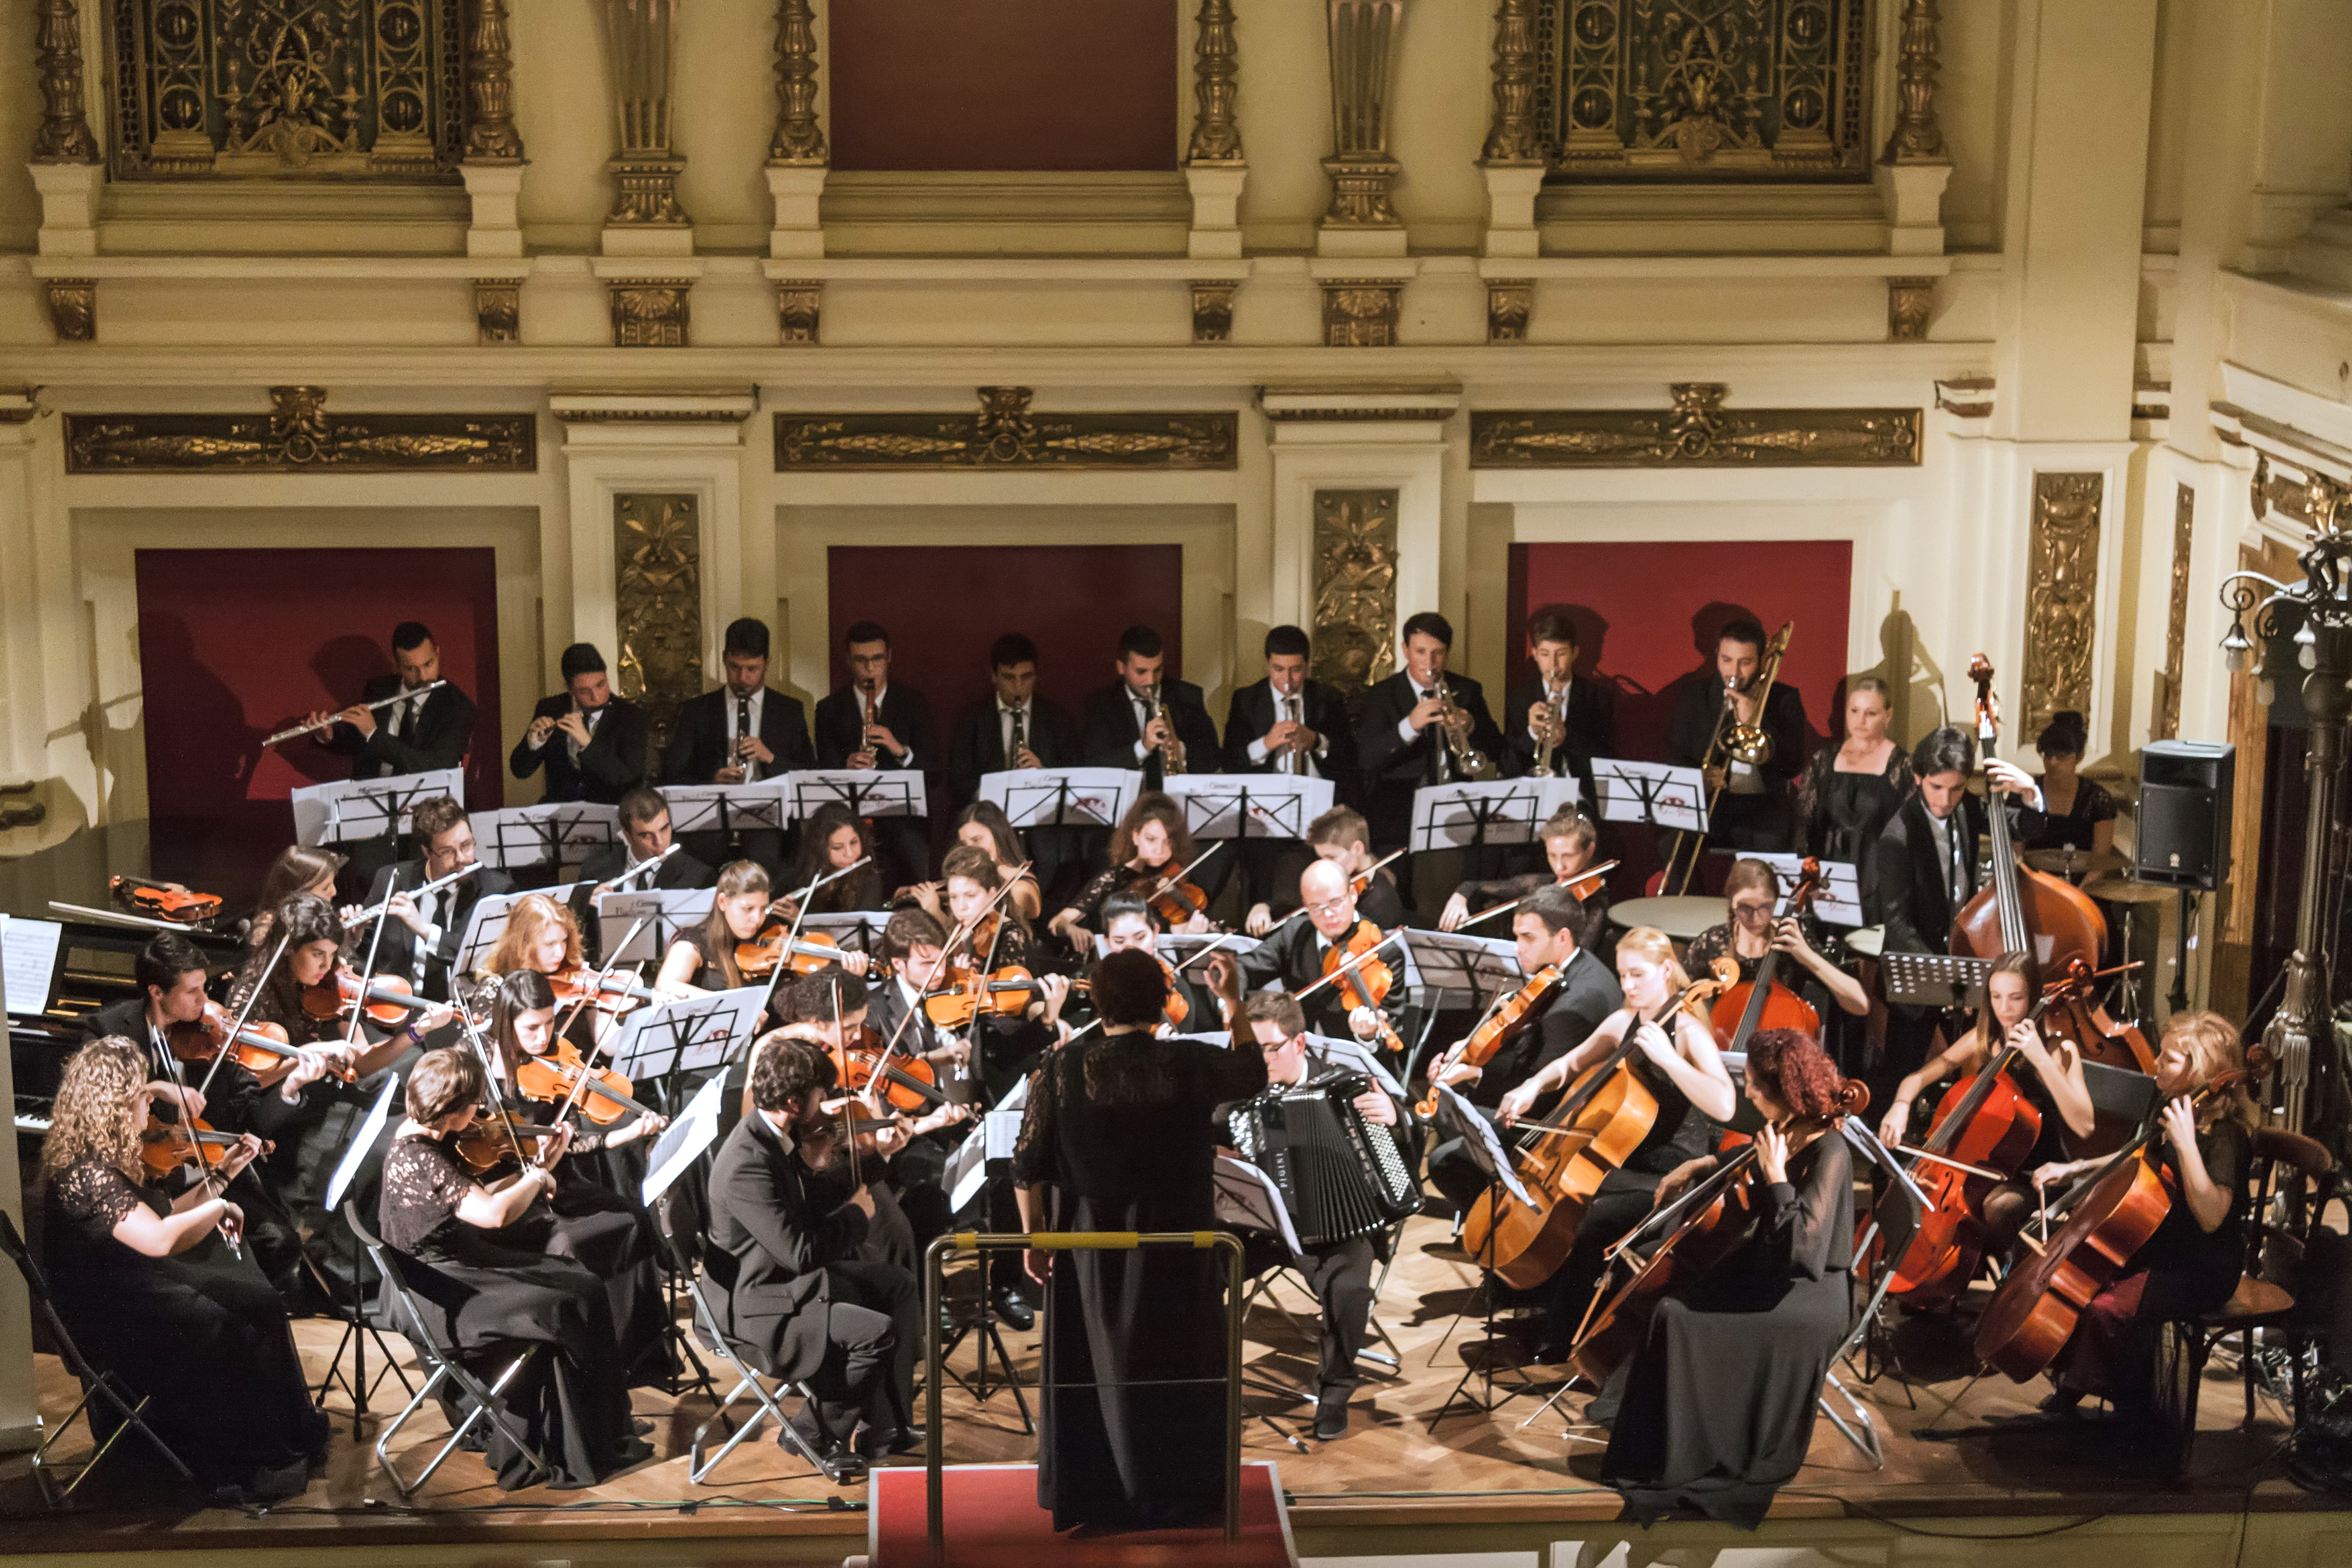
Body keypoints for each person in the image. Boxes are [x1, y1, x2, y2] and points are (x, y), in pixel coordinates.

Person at [1013, 947, 1269, 1529]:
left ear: (1096, 1000)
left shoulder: (1060, 1069)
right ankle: (1179, 1495)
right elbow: (1253, 1070)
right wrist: (1230, 999)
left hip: (1090, 1251)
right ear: (1161, 1003)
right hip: (1178, 1242)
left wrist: (1036, 1238)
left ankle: (1101, 1496)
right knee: (1177, 1360)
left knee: (1096, 1367)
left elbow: (1025, 1162)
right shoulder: (1189, 1061)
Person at [38, 1037, 327, 1503]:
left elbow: (165, 1213)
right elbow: (160, 1238)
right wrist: (222, 1208)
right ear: (114, 1103)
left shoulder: (110, 1156)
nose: (150, 1103)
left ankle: (285, 1436)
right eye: (142, 1095)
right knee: (230, 1316)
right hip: (110, 1316)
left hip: (132, 1287)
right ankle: (242, 1457)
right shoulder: (86, 1172)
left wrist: (225, 1174)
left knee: (256, 1299)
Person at [1596, 1029, 1857, 1526]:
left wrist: (1779, 1179)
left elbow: (1805, 1247)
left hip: (1808, 1297)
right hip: (1770, 1268)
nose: (1750, 1094)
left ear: (1787, 1089)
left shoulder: (1832, 1152)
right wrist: (1705, 1162)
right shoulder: (1787, 1128)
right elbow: (1755, 1162)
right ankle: (1661, 1451)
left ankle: (1696, 1454)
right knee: (1672, 1307)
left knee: (1682, 1320)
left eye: (1757, 1086)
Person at [377, 1047, 652, 1489]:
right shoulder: (422, 1157)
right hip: (440, 1290)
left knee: (578, 1280)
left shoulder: (418, 1134)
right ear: (454, 1110)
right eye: (475, 1106)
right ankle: (584, 1440)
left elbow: (483, 1194)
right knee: (570, 1298)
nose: (482, 1113)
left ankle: (601, 1425)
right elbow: (493, 1215)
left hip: (439, 1270)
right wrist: (537, 1177)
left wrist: (541, 1165)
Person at [1495, 925, 1736, 1362]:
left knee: (1591, 1214)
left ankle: (1568, 1337)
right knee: (1548, 1196)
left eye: (1638, 975)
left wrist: (1667, 1059)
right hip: (1622, 1162)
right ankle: (1533, 1302)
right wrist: (1532, 1086)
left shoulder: (1686, 1031)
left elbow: (1724, 1104)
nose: (1627, 985)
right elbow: (1572, 1063)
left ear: (1667, 970)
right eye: (1623, 975)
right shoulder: (1623, 1021)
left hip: (1670, 1175)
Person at [705, 1033, 924, 1481]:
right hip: (760, 1302)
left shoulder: (771, 1135)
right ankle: (811, 1431)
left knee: (897, 1284)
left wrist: (878, 1156)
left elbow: (808, 1203)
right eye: (820, 1097)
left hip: (785, 1283)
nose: (826, 1107)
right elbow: (801, 1252)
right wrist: (858, 1219)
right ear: (792, 1099)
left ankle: (886, 1425)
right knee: (874, 1333)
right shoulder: (747, 1162)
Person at [2025, 1011, 2254, 1435]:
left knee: (2107, 1308)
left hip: (2201, 1267)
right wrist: (2075, 1168)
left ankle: (2133, 1414)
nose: (2156, 1067)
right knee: (2080, 1282)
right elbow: (2136, 1158)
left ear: (2199, 1069)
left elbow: (2211, 1217)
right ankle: (2091, 1387)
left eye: (2168, 1060)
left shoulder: (2225, 1134)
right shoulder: (2167, 1102)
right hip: (2160, 1245)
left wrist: (2186, 1146)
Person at [1210, 981, 1410, 1440]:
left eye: (1270, 1049)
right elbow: (1213, 1125)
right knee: (1199, 1265)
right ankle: (1208, 1381)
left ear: (1299, 1042)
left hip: (1340, 1227)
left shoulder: (1345, 1085)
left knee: (1349, 1289)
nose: (1259, 1061)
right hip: (1267, 1228)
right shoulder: (1245, 1098)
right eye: (1254, 1049)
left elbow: (1403, 1136)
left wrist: (1396, 1116)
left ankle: (1335, 1393)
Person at [481, 968, 670, 1385]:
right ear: (505, 1023)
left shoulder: (554, 1059)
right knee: (572, 1243)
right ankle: (585, 1361)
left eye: (550, 1022)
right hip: (513, 1196)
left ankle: (636, 1356)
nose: (544, 1035)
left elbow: (577, 1141)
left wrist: (626, 1133)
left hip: (560, 1182)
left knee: (632, 1217)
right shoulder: (483, 1074)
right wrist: (535, 1168)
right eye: (531, 1027)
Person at [1865, 726, 2044, 1111]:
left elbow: (2022, 825)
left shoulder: (1964, 806)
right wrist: (1951, 977)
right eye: (1936, 788)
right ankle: (1886, 1165)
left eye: (1957, 789)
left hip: (1966, 958)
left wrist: (2031, 793)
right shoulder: (1897, 837)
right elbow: (1897, 924)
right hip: (1924, 968)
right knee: (1903, 1070)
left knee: (1969, 1072)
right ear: (1918, 779)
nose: (1947, 800)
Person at [1424, 884, 1624, 1213]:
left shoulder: (1576, 1003)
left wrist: (1473, 1075)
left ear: (1562, 937)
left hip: (1555, 1125)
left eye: (1528, 938)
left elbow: (1539, 1094)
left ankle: (1503, 1229)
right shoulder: (1573, 967)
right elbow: (1526, 1045)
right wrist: (1471, 1052)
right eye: (1517, 936)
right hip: (1540, 1098)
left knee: (1445, 1133)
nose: (1518, 948)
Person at [1879, 951, 2093, 1250]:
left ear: (2033, 999)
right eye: (1996, 997)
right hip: (1985, 1170)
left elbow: (2084, 1125)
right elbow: (1917, 1078)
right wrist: (1901, 1106)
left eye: (2015, 998)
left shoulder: (2060, 1049)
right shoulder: (1982, 1041)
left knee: (1997, 1207)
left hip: (2040, 1178)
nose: (2004, 1008)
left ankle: (2008, 1277)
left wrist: (2041, 1060)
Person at [355, 794, 517, 1005]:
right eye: (448, 851)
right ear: (427, 851)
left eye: (466, 845)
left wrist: (423, 929)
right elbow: (365, 953)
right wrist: (354, 939)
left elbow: (481, 958)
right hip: (397, 1011)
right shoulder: (391, 879)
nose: (462, 859)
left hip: (462, 1012)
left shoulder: (497, 891)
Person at [1665, 617, 1807, 855]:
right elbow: (1675, 756)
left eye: (1746, 663)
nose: (1734, 672)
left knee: (1771, 841)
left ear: (1763, 660)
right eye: (1727, 660)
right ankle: (1686, 894)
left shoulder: (1785, 698)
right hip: (1713, 803)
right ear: (1717, 654)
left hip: (1763, 807)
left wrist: (1758, 723)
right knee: (1671, 841)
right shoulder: (1694, 695)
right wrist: (1699, 777)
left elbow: (1792, 766)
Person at [1682, 858, 1870, 1030]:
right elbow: (1679, 1003)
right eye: (1745, 907)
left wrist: (1808, 956)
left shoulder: (1792, 939)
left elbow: (1860, 1004)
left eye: (1766, 907)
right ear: (1731, 902)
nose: (1756, 917)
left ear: (1777, 900)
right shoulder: (1712, 942)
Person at [813, 621, 934, 887]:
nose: (870, 669)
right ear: (848, 660)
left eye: (877, 659)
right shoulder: (829, 709)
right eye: (861, 660)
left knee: (914, 854)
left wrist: (899, 750)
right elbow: (821, 768)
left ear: (889, 657)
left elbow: (934, 773)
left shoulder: (913, 704)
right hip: (849, 818)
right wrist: (846, 766)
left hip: (900, 818)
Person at [1236, 858, 1398, 1046]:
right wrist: (1230, 1004)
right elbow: (1244, 968)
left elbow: (1390, 1036)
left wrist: (1368, 1036)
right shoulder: (1295, 933)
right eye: (1317, 907)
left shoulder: (1385, 953)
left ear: (1353, 894)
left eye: (1335, 902)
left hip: (1358, 1069)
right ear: (1305, 905)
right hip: (1299, 1060)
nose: (1328, 914)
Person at [306, 620, 476, 783]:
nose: (423, 676)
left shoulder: (458, 706)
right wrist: (329, 736)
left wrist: (374, 735)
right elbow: (359, 740)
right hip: (370, 798)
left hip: (427, 806)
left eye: (428, 664)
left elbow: (436, 765)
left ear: (437, 654)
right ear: (397, 666)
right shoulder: (380, 690)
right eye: (411, 669)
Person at [1793, 676, 1914, 887]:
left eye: (1871, 713)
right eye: (1854, 711)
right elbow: (1805, 824)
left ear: (1888, 715)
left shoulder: (1903, 767)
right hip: (1828, 875)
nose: (1861, 720)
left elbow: (1910, 834)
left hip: (1878, 879)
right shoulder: (1823, 760)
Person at [1049, 790, 1210, 945]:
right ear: (1136, 837)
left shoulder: (1178, 880)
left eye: (1168, 841)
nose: (1159, 850)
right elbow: (1057, 923)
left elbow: (1178, 936)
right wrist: (1071, 929)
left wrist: (1191, 934)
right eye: (1151, 839)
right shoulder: (1112, 879)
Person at [1437, 805, 1608, 946]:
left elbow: (1580, 955)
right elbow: (1475, 886)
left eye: (1568, 856)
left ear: (1589, 850)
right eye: (1552, 855)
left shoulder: (1594, 902)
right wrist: (1460, 896)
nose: (1559, 866)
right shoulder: (1537, 884)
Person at [1080, 623, 1220, 794]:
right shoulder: (1102, 704)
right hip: (1130, 807)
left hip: (1176, 804)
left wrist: (1180, 750)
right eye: (1141, 672)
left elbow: (1214, 759)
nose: (1151, 681)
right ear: (1121, 668)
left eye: (1158, 670)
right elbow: (1093, 765)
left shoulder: (1188, 696)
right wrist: (1143, 748)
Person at [946, 632, 1080, 801]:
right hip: (989, 815)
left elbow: (1075, 776)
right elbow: (957, 781)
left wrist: (1044, 774)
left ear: (1036, 675)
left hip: (1042, 815)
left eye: (1026, 677)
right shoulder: (973, 719)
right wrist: (991, 790)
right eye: (1009, 678)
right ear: (994, 676)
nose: (1018, 687)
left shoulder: (1057, 719)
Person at [511, 643, 650, 805]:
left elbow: (629, 782)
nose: (596, 697)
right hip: (560, 815)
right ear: (570, 689)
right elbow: (520, 771)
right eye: (584, 691)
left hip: (610, 814)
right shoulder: (550, 708)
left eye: (601, 685)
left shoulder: (631, 716)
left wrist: (588, 745)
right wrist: (534, 743)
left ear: (606, 675)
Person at [1502, 605, 1613, 805]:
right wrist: (1532, 733)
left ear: (1575, 653)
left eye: (1561, 654)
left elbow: (1606, 760)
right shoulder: (1518, 698)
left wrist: (1566, 737)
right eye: (1545, 654)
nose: (1553, 664)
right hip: (1533, 798)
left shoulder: (1597, 697)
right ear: (1535, 654)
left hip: (1582, 799)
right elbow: (1508, 766)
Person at [1244, 805, 1406, 936]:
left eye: (1331, 857)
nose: (1324, 865)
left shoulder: (1381, 901)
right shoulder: (1332, 878)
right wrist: (1264, 907)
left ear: (1357, 848)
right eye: (1321, 858)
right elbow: (1294, 909)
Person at [2015, 710, 2119, 858]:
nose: (2053, 763)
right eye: (2048, 755)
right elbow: (2016, 856)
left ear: (2079, 757)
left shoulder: (2098, 800)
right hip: (2032, 879)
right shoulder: (2025, 793)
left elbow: (2099, 864)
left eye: (2061, 757)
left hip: (2080, 880)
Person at [580, 786, 715, 892]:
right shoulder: (594, 872)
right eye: (646, 835)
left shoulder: (698, 877)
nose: (660, 842)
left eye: (664, 829)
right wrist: (586, 904)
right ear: (628, 836)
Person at [947, 801, 1044, 924]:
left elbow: (990, 935)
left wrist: (934, 911)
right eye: (965, 845)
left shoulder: (1020, 886)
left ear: (998, 835)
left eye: (977, 840)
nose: (970, 850)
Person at [789, 801, 888, 915]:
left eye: (854, 843)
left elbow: (854, 929)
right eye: (838, 847)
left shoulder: (870, 881)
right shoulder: (798, 878)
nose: (850, 854)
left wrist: (800, 921)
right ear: (820, 849)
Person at [244, 844, 347, 953]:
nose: (334, 892)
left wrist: (346, 939)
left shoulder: (315, 921)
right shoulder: (271, 934)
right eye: (326, 888)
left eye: (333, 883)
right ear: (299, 893)